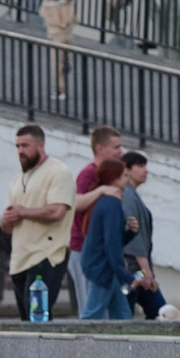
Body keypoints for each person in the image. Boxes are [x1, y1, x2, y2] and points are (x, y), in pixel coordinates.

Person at [0, 122, 75, 319]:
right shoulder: (17, 180)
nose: (20, 151)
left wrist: (22, 212)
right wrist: (7, 219)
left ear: (41, 145)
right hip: (20, 259)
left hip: (46, 256)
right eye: (17, 146)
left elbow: (57, 212)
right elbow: (8, 226)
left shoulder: (58, 172)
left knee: (38, 319)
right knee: (26, 320)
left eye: (25, 146)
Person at [68, 126, 133, 308]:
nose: (120, 152)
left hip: (103, 252)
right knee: (91, 308)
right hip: (84, 249)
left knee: (115, 310)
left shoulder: (111, 174)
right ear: (100, 148)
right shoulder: (89, 173)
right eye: (116, 147)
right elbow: (76, 203)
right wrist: (101, 190)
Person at [75, 160, 134, 320]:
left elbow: (112, 239)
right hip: (103, 268)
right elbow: (111, 243)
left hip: (104, 267)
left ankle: (127, 344)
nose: (127, 179)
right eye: (124, 176)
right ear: (114, 178)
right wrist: (125, 274)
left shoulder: (106, 201)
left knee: (122, 316)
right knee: (92, 315)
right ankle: (75, 345)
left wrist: (131, 233)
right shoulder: (111, 203)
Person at [120, 152, 162, 318]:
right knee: (159, 312)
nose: (145, 170)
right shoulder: (128, 196)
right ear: (127, 169)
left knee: (158, 312)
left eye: (145, 166)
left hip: (138, 269)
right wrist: (147, 271)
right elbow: (134, 237)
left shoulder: (132, 195)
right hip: (133, 270)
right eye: (140, 166)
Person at [39, 0, 76, 98]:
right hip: (67, 35)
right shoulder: (67, 2)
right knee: (61, 61)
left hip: (56, 36)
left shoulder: (48, 7)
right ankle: (66, 64)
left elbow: (42, 12)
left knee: (56, 65)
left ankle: (61, 89)